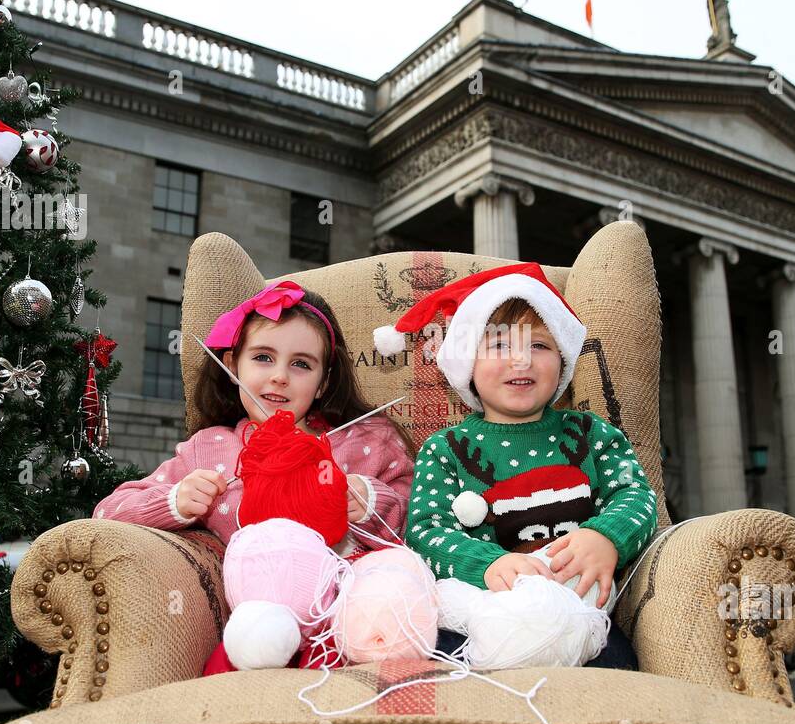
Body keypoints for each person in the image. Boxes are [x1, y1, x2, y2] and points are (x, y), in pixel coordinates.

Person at [92, 280, 416, 671]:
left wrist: (370, 501)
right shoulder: (210, 449)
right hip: (259, 627)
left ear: (323, 382)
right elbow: (107, 514)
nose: (280, 376)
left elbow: (422, 519)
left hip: (358, 621)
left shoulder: (366, 441)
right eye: (263, 357)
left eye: (301, 364)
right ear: (232, 367)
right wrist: (173, 502)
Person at [377, 262, 659, 669]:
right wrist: (488, 562)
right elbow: (425, 531)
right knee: (444, 662)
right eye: (499, 345)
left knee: (617, 668)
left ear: (563, 359)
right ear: (467, 362)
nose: (521, 360)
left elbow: (636, 495)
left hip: (580, 613)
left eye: (540, 345)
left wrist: (606, 537)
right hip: (483, 611)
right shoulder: (446, 449)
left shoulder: (591, 433)